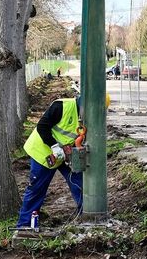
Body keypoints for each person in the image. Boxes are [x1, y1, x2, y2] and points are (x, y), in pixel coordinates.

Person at [16, 92, 110, 229]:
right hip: (43, 152)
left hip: (66, 154)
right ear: (87, 105)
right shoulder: (61, 106)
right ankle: (24, 225)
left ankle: (88, 218)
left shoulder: (88, 118)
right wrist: (55, 146)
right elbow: (42, 127)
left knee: (81, 184)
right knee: (37, 189)